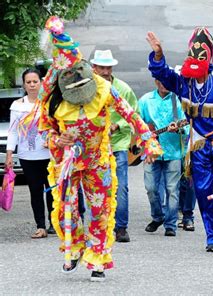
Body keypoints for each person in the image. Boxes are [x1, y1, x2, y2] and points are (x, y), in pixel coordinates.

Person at [38, 16, 161, 281]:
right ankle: (73, 250)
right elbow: (44, 128)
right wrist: (57, 140)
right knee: (66, 210)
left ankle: (97, 259)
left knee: (99, 211)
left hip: (97, 162)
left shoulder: (105, 89)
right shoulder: (52, 96)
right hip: (67, 164)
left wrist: (148, 141)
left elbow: (131, 115)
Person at [146, 27, 213, 252]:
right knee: (203, 193)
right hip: (199, 146)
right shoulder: (185, 82)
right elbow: (163, 75)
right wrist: (159, 55)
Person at [91, 49, 138, 243]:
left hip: (118, 144)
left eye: (108, 67)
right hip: (94, 147)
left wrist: (118, 124)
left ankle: (121, 227)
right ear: (94, 68)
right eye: (101, 67)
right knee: (96, 188)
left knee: (121, 187)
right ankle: (100, 225)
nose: (105, 71)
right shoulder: (87, 89)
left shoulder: (123, 88)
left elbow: (134, 113)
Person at [5, 68, 53, 239]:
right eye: (29, 82)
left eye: (35, 81)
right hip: (28, 156)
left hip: (50, 155)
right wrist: (10, 154)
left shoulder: (49, 103)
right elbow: (13, 132)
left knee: (52, 189)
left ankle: (54, 223)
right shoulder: (18, 106)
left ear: (41, 82)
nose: (32, 85)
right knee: (35, 190)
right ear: (24, 85)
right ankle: (41, 226)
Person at [139, 79, 188, 236]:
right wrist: (145, 128)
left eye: (166, 80)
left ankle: (171, 224)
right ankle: (158, 216)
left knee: (172, 190)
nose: (163, 83)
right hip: (151, 152)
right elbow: (135, 121)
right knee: (151, 188)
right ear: (155, 81)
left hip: (173, 152)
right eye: (160, 80)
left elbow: (188, 124)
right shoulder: (145, 100)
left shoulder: (179, 101)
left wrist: (179, 130)